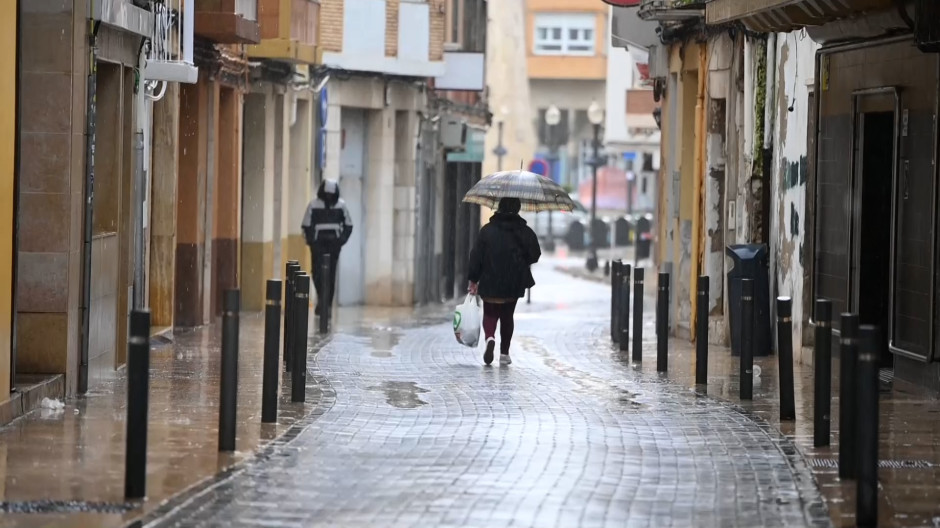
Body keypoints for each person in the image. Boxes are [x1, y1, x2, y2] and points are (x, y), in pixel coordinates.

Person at [467, 197, 541, 366]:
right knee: (507, 315)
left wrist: (473, 278)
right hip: (513, 279)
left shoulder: (487, 230)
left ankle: (490, 338)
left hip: (490, 277)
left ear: (498, 208)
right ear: (517, 209)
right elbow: (535, 254)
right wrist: (522, 259)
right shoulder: (524, 231)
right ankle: (505, 353)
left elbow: (475, 256)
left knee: (490, 312)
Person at [302, 179, 353, 316]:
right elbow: (306, 225)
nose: (329, 198)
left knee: (331, 275)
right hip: (318, 245)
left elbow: (349, 225)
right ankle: (322, 299)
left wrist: (340, 241)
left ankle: (327, 305)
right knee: (316, 272)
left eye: (331, 195)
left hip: (333, 246)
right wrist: (312, 241)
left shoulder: (341, 206)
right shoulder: (313, 205)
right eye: (327, 195)